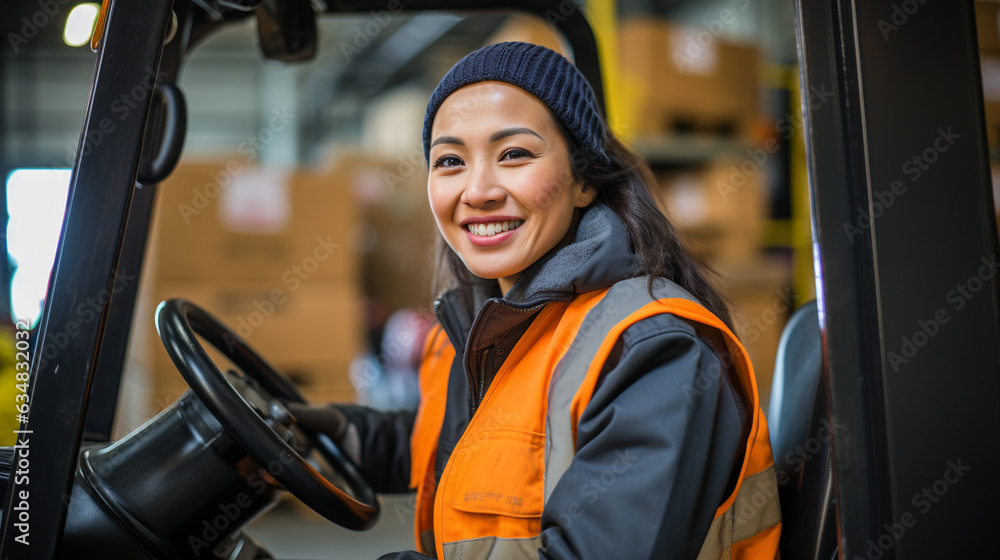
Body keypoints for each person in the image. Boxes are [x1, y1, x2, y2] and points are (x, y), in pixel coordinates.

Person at [290, 41, 780, 560]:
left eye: (514, 154)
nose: (477, 190)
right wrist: (334, 438)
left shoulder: (652, 350)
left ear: (585, 181)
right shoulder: (483, 329)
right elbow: (462, 441)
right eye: (450, 160)